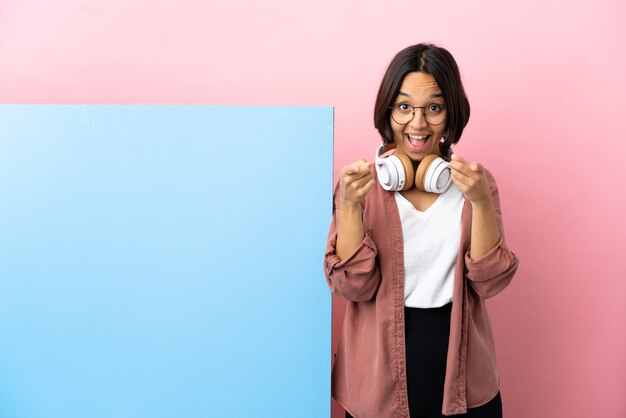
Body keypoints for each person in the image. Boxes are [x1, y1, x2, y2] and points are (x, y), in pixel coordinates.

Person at [323, 43, 520, 418]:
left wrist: (479, 202)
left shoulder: (476, 184)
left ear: (450, 114)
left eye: (433, 107)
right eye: (403, 106)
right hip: (378, 371)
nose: (417, 123)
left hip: (462, 366)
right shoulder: (361, 187)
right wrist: (348, 206)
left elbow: (489, 283)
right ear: (388, 111)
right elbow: (353, 286)